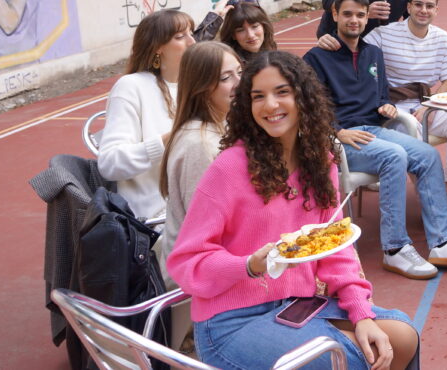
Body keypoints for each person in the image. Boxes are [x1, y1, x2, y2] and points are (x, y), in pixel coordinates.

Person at [167, 51, 419, 370]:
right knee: (350, 361)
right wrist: (248, 265)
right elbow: (186, 261)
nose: (270, 105)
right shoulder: (230, 168)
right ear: (247, 105)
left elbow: (335, 248)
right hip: (231, 322)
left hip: (296, 305)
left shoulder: (319, 161)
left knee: (402, 338)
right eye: (258, 96)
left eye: (282, 92)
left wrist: (361, 313)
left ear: (304, 97)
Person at [304, 0, 447, 279]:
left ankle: (442, 241)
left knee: (427, 154)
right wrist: (337, 132)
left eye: (360, 15)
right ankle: (395, 248)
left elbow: (379, 97)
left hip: (373, 130)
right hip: (343, 139)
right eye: (348, 14)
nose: (354, 20)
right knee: (394, 156)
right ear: (335, 15)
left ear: (367, 19)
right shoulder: (316, 57)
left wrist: (385, 106)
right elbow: (308, 109)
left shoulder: (372, 53)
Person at [97, 9, 195, 220]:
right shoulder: (131, 87)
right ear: (157, 47)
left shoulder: (194, 86)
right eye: (180, 36)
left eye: (191, 33)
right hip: (158, 217)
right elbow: (110, 163)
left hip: (195, 202)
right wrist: (168, 140)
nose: (192, 42)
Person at [159, 42, 242, 267]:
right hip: (194, 278)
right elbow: (206, 232)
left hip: (215, 262)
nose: (240, 83)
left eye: (240, 72)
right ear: (201, 87)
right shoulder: (201, 145)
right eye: (226, 78)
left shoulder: (220, 126)